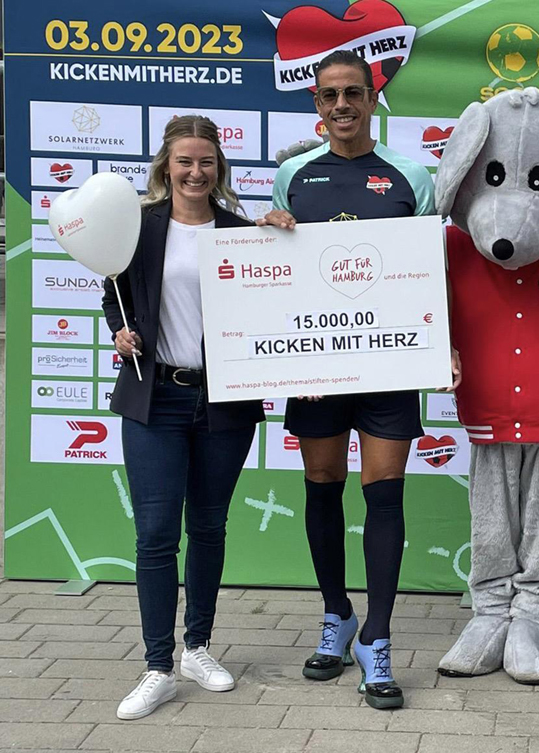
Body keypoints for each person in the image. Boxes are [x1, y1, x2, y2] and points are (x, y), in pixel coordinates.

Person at [259, 49, 441, 710]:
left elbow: (430, 273)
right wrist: (270, 232)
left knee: (384, 493)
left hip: (389, 361)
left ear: (372, 98)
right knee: (323, 485)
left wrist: (436, 348)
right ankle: (336, 616)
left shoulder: (410, 173)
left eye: (354, 93)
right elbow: (278, 276)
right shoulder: (293, 176)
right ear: (315, 102)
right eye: (330, 94)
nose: (342, 105)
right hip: (318, 364)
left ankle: (379, 638)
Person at [103, 115, 265, 720]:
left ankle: (198, 646)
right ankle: (157, 665)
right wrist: (117, 331)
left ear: (219, 167)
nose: (196, 172)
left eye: (206, 162)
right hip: (155, 398)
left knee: (210, 526)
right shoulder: (137, 229)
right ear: (165, 167)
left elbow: (279, 296)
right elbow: (112, 292)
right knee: (154, 535)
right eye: (184, 162)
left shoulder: (242, 232)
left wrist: (282, 233)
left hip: (223, 401)